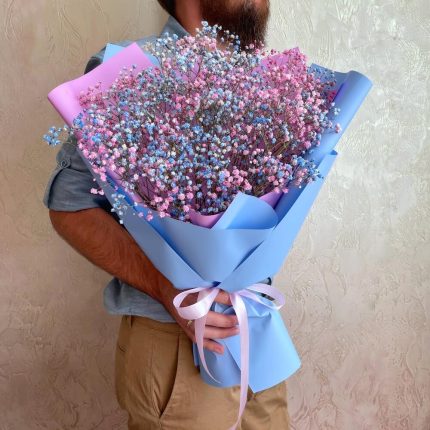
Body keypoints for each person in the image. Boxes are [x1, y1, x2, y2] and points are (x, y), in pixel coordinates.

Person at [43, 0, 290, 428]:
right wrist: (167, 288)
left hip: (256, 331)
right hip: (175, 346)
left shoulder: (271, 81)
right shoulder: (128, 72)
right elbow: (69, 207)